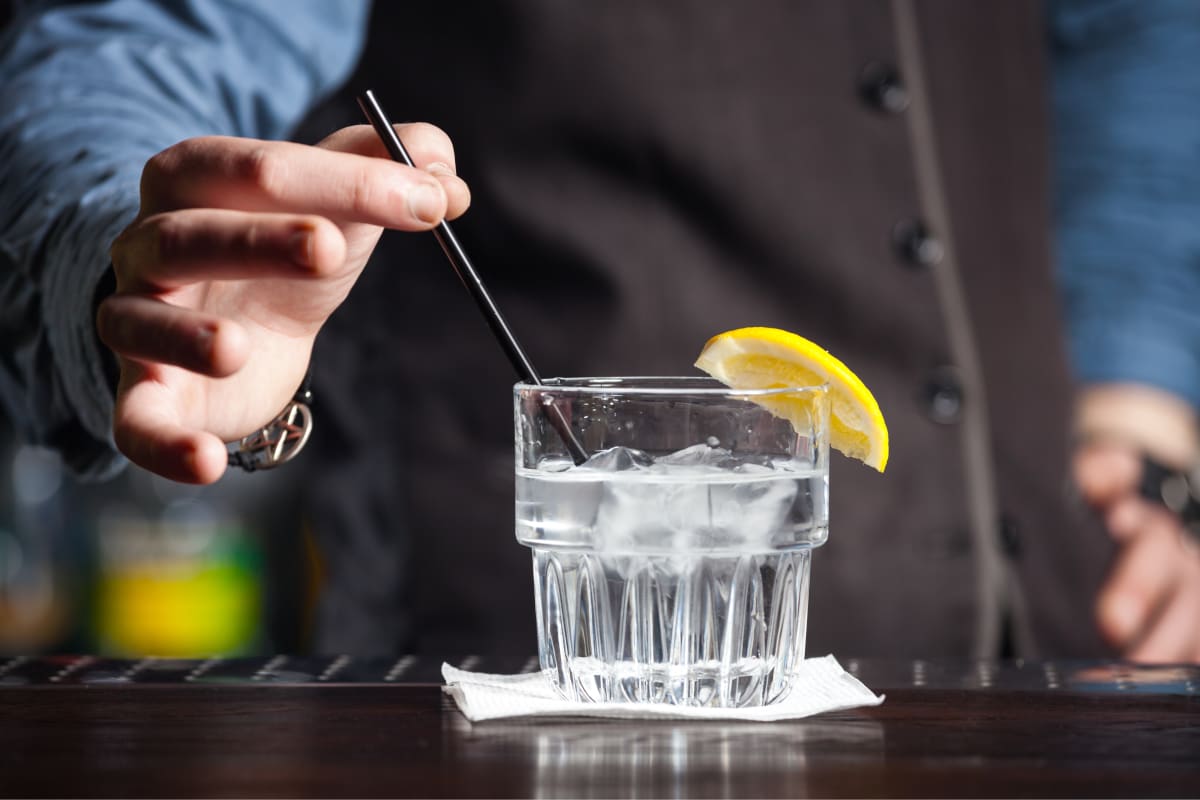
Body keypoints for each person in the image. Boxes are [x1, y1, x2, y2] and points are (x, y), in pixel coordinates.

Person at [1, 0, 1198, 661]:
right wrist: (137, 261)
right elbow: (134, 46)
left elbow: (1134, 45)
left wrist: (1138, 413)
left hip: (1059, 661)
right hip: (511, 705)